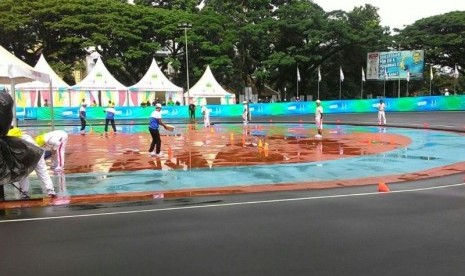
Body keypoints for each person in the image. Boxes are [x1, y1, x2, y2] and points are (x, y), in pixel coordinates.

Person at [8, 127, 57, 198]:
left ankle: (24, 192)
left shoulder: (13, 139)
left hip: (30, 154)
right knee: (42, 172)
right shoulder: (23, 135)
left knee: (23, 173)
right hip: (38, 152)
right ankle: (50, 190)